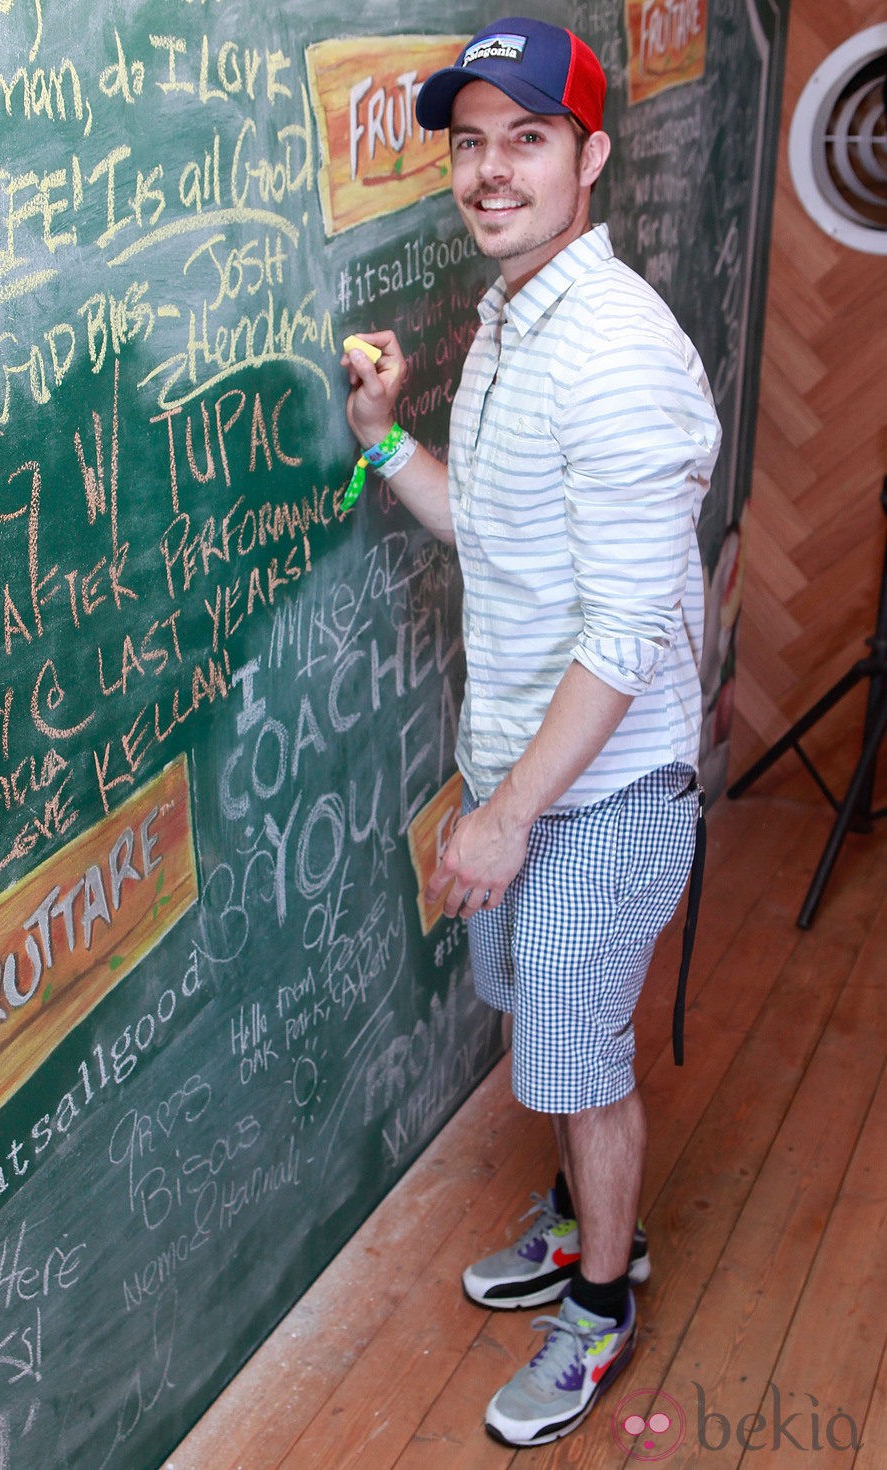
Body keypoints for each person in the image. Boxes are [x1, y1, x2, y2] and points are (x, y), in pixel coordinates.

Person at [343, 16, 721, 1448]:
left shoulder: (612, 350)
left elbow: (626, 639)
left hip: (603, 790)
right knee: (556, 1034)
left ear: (592, 157)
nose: (492, 173)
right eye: (472, 143)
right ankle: (577, 1223)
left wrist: (505, 818)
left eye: (530, 139)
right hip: (524, 769)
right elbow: (490, 532)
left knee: (578, 1056)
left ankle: (605, 1301)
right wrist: (387, 436)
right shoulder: (518, 316)